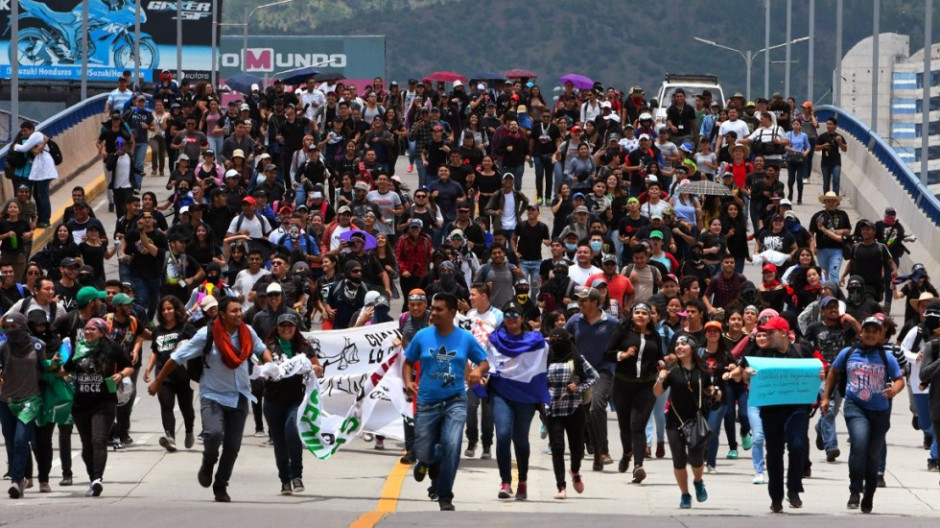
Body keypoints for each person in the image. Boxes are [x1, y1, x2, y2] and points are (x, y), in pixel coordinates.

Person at [148, 297, 273, 503]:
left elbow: (261, 349)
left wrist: (271, 365)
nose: (239, 314)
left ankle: (221, 485)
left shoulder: (247, 332)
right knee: (213, 435)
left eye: (240, 310)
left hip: (240, 396)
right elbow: (177, 357)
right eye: (233, 311)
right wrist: (158, 381)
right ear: (222, 314)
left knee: (232, 447)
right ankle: (208, 462)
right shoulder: (206, 334)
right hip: (212, 395)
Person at [403, 292, 490, 511]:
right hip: (427, 402)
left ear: (452, 312)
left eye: (439, 309)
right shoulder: (422, 336)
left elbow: (484, 362)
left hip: (455, 401)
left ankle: (445, 496)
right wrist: (408, 382)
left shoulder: (465, 338)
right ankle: (427, 460)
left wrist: (477, 371)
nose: (433, 312)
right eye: (433, 308)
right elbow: (408, 362)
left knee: (452, 445)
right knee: (425, 450)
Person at [822, 316, 904, 513]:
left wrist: (894, 390)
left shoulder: (887, 357)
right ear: (861, 333)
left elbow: (899, 379)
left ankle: (869, 493)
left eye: (875, 331)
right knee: (859, 444)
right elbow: (833, 372)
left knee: (873, 455)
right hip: (855, 406)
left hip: (880, 411)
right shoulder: (848, 353)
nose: (870, 334)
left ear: (881, 334)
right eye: (867, 330)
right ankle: (855, 491)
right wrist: (826, 398)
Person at [743, 316, 820, 512]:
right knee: (775, 453)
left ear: (784, 333)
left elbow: (820, 367)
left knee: (797, 446)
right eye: (765, 332)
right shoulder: (762, 355)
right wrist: (747, 374)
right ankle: (776, 497)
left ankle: (794, 489)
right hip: (771, 410)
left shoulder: (802, 350)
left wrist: (821, 374)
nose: (767, 336)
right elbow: (744, 375)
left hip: (797, 408)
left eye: (771, 332)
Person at [484, 300, 549, 500]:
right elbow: (486, 360)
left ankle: (522, 481)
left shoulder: (535, 341)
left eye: (515, 314)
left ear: (522, 318)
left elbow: (549, 355)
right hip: (500, 392)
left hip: (525, 395)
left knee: (520, 438)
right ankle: (505, 482)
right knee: (503, 434)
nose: (511, 318)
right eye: (507, 314)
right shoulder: (494, 339)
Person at [62, 317, 133, 497]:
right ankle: (93, 479)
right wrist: (54, 366)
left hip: (104, 401)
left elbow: (129, 366)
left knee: (99, 439)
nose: (87, 332)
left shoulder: (112, 347)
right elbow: (65, 370)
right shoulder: (79, 348)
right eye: (86, 329)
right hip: (80, 404)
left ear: (102, 332)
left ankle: (97, 479)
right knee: (87, 445)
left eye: (92, 329)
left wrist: (120, 375)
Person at [603, 302, 665, 483]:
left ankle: (638, 466)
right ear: (632, 315)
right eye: (637, 312)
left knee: (638, 425)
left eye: (644, 313)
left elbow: (658, 356)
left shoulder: (654, 336)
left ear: (649, 317)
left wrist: (661, 362)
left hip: (646, 387)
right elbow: (607, 353)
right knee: (625, 426)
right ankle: (626, 453)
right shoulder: (622, 332)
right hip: (623, 385)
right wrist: (622, 355)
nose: (640, 316)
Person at [655, 334, 718, 508]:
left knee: (696, 460)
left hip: (696, 421)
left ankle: (698, 481)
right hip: (674, 421)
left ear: (692, 348)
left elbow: (708, 387)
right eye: (677, 344)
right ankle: (685, 494)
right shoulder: (671, 370)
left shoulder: (702, 369)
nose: (679, 347)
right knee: (679, 459)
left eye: (683, 344)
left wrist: (715, 392)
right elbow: (657, 393)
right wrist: (660, 378)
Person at [263, 312, 322, 496]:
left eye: (290, 325)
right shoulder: (269, 346)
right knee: (279, 442)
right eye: (283, 325)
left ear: (296, 328)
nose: (286, 329)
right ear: (277, 328)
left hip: (295, 401)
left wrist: (314, 368)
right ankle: (285, 480)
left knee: (293, 434)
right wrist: (264, 371)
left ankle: (297, 475)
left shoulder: (304, 347)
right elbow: (259, 367)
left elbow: (319, 369)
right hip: (273, 402)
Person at [0, 313, 50, 499]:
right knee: (11, 442)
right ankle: (20, 479)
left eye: (14, 327)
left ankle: (15, 480)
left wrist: (56, 367)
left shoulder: (38, 345)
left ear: (23, 326)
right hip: (6, 400)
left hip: (30, 400)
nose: (10, 331)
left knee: (21, 439)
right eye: (7, 328)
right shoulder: (3, 347)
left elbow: (45, 368)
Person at [545, 328, 598, 499]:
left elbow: (594, 376)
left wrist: (579, 387)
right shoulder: (545, 358)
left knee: (577, 449)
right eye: (553, 341)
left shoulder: (577, 358)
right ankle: (561, 486)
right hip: (553, 410)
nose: (556, 344)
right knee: (557, 448)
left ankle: (575, 471)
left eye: (559, 341)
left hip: (574, 408)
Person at [144, 296, 197, 453]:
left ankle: (189, 430)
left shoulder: (186, 328)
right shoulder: (157, 331)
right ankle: (170, 438)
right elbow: (155, 351)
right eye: (164, 310)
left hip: (184, 375)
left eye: (170, 308)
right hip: (163, 374)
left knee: (186, 407)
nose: (166, 312)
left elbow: (197, 346)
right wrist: (148, 368)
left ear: (176, 310)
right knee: (166, 405)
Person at [815, 117, 848, 195]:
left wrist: (840, 142)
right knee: (826, 182)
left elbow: (845, 149)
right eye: (827, 124)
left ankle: (835, 198)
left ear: (835, 126)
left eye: (830, 124)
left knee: (836, 180)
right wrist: (823, 146)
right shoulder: (822, 136)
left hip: (836, 162)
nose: (828, 126)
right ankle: (826, 198)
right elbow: (816, 148)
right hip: (825, 163)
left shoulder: (839, 136)